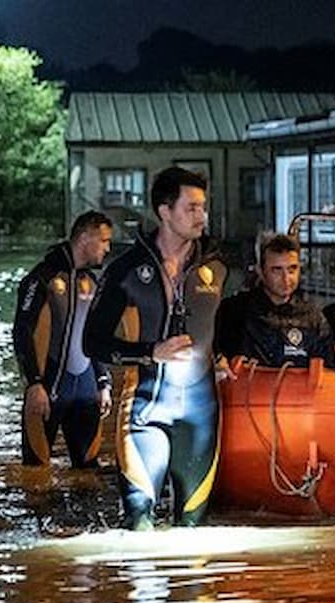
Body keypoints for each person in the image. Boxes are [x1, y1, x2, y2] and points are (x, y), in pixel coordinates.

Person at [83, 167, 228, 529]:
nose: (202, 216)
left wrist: (227, 355)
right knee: (139, 524)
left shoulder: (218, 266)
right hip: (145, 411)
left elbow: (226, 323)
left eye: (203, 207)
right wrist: (150, 352)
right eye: (191, 208)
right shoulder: (125, 271)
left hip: (201, 416)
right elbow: (92, 342)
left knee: (192, 532)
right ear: (165, 211)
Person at [12, 210, 114, 469]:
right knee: (35, 475)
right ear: (84, 238)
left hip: (87, 392)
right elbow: (22, 332)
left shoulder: (93, 282)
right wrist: (34, 383)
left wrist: (103, 383)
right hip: (47, 390)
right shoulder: (41, 279)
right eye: (103, 241)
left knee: (88, 475)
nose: (108, 248)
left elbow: (96, 337)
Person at [215, 233, 335, 367]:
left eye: (292, 269)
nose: (286, 278)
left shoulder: (313, 319)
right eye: (277, 270)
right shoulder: (234, 312)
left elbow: (328, 371)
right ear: (260, 271)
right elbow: (214, 356)